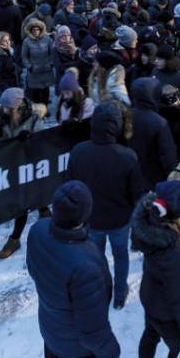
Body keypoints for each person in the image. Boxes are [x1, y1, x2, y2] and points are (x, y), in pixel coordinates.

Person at [26, 181, 121, 358]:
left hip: (51, 332)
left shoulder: (37, 230)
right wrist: (111, 356)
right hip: (77, 353)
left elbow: (34, 272)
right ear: (86, 214)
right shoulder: (86, 264)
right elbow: (93, 332)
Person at [68, 102, 145, 309]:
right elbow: (136, 194)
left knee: (96, 258)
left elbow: (71, 185)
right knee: (120, 255)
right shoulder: (127, 156)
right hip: (119, 220)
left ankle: (102, 290)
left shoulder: (78, 151)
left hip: (90, 219)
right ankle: (119, 294)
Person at [132, 181, 180, 358]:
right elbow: (177, 296)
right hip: (165, 310)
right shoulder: (173, 250)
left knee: (150, 333)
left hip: (150, 297)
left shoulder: (149, 224)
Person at [0, 87, 49, 259]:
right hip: (12, 164)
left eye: (8, 107)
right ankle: (44, 209)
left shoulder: (33, 117)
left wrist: (30, 137)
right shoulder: (1, 115)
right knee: (25, 197)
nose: (4, 110)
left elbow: (41, 143)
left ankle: (15, 238)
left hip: (29, 165)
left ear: (18, 105)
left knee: (23, 201)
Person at [130, 77, 178, 189]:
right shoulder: (159, 123)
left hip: (131, 173)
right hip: (154, 178)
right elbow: (167, 155)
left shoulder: (127, 115)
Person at [21, 18, 54, 105]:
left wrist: (51, 63)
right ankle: (36, 110)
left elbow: (52, 52)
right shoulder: (27, 41)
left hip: (46, 70)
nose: (36, 32)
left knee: (45, 92)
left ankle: (45, 109)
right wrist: (29, 66)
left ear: (41, 29)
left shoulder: (47, 39)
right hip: (34, 71)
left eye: (37, 29)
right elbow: (24, 56)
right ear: (30, 30)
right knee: (35, 93)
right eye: (33, 30)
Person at [0, 31, 19, 102]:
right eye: (5, 41)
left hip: (10, 88)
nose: (8, 43)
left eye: (8, 40)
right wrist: (5, 88)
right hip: (3, 90)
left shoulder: (9, 52)